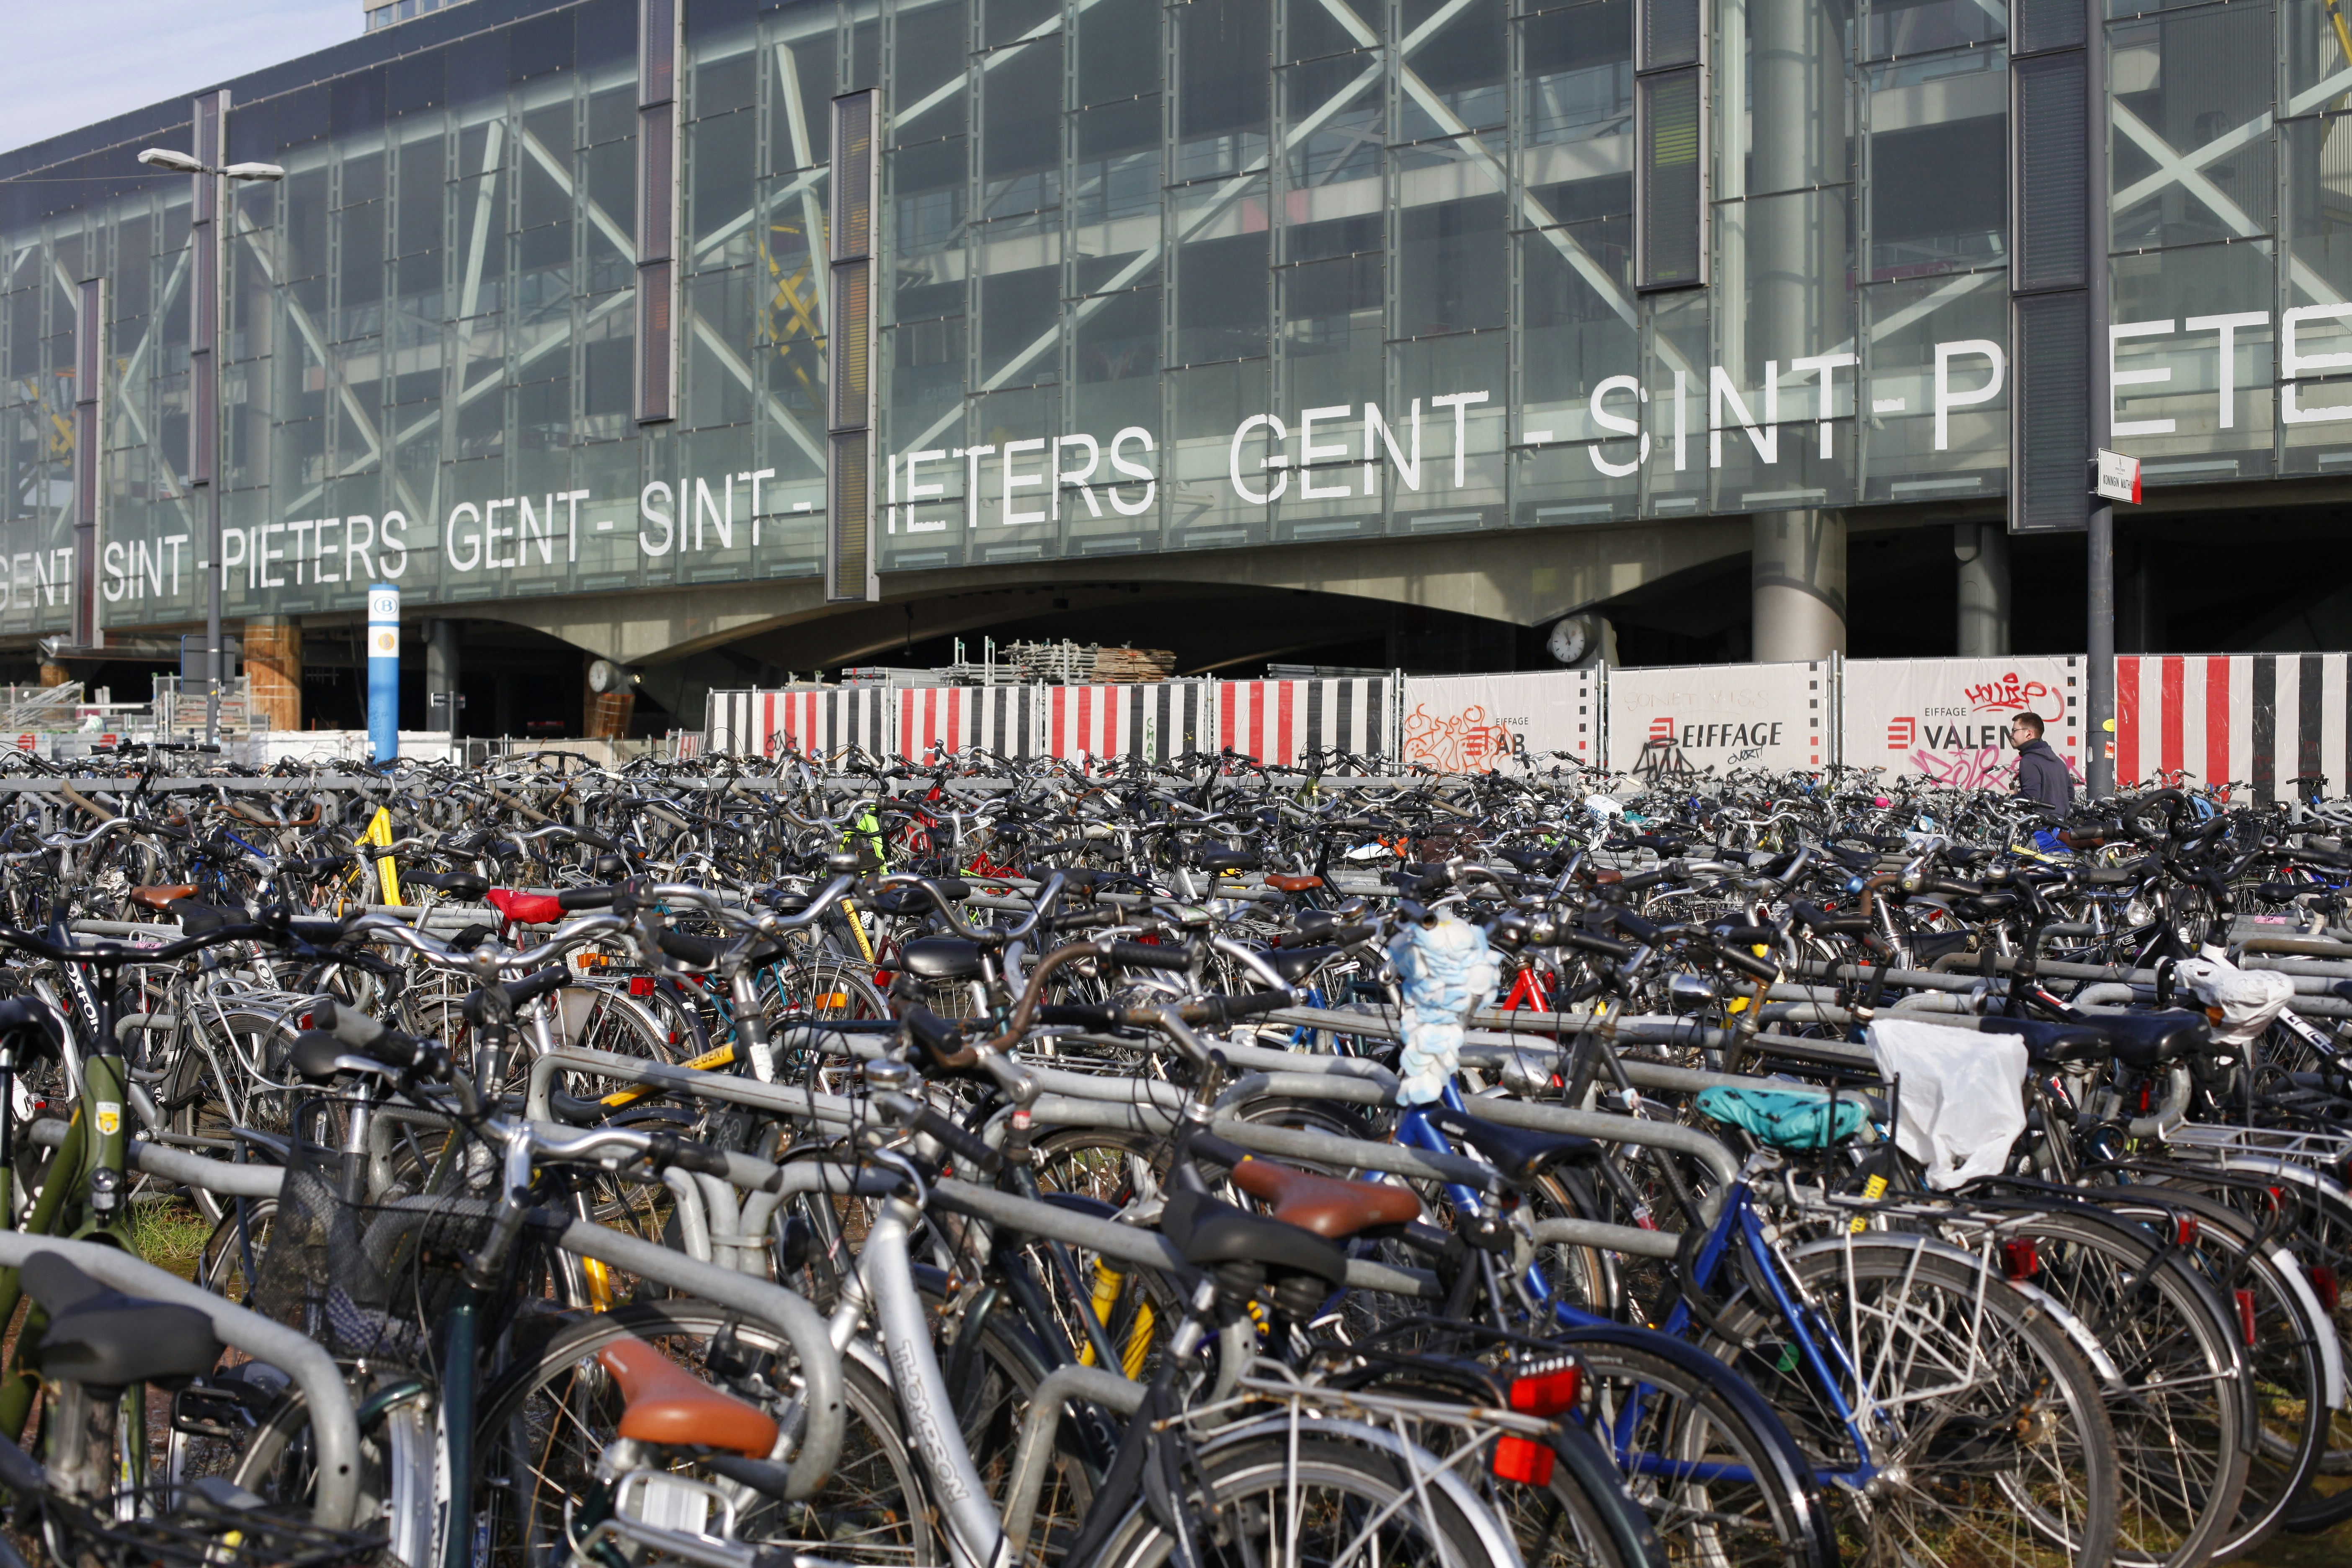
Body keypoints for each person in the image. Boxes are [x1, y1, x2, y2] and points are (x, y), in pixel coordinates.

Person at [2010, 711, 2074, 810]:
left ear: (2029, 734)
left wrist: (2014, 797)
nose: (2011, 734)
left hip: (2040, 824)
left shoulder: (2029, 761)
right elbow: (2070, 796)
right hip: (2062, 823)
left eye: (2014, 730)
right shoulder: (2058, 761)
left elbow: (2031, 799)